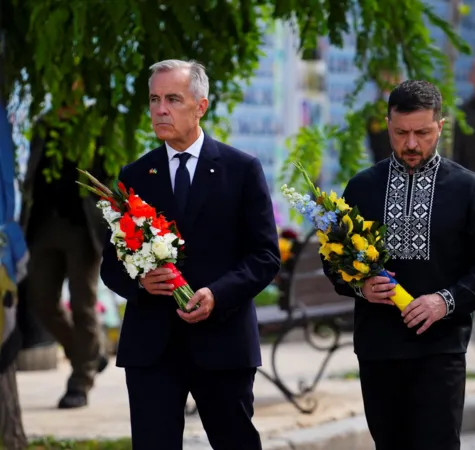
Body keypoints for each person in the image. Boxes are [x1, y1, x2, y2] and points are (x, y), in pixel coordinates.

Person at [100, 59, 282, 450]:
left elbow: (265, 256)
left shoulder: (241, 169)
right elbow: (110, 265)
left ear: (200, 106)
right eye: (154, 99)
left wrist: (218, 294)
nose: (160, 109)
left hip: (223, 343)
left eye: (172, 99)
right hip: (152, 348)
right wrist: (141, 281)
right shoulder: (134, 176)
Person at [322, 79, 475, 450]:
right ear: (388, 125)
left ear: (441, 126)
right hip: (378, 347)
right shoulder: (361, 187)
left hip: (441, 347)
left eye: (422, 132)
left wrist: (445, 301)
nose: (410, 144)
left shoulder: (468, 187)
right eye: (401, 132)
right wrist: (360, 287)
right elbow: (333, 260)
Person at [19, 92, 111, 409]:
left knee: (84, 304)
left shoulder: (94, 125)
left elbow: (106, 178)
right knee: (40, 301)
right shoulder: (43, 123)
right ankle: (88, 354)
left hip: (82, 229)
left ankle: (80, 382)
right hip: (42, 226)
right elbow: (31, 175)